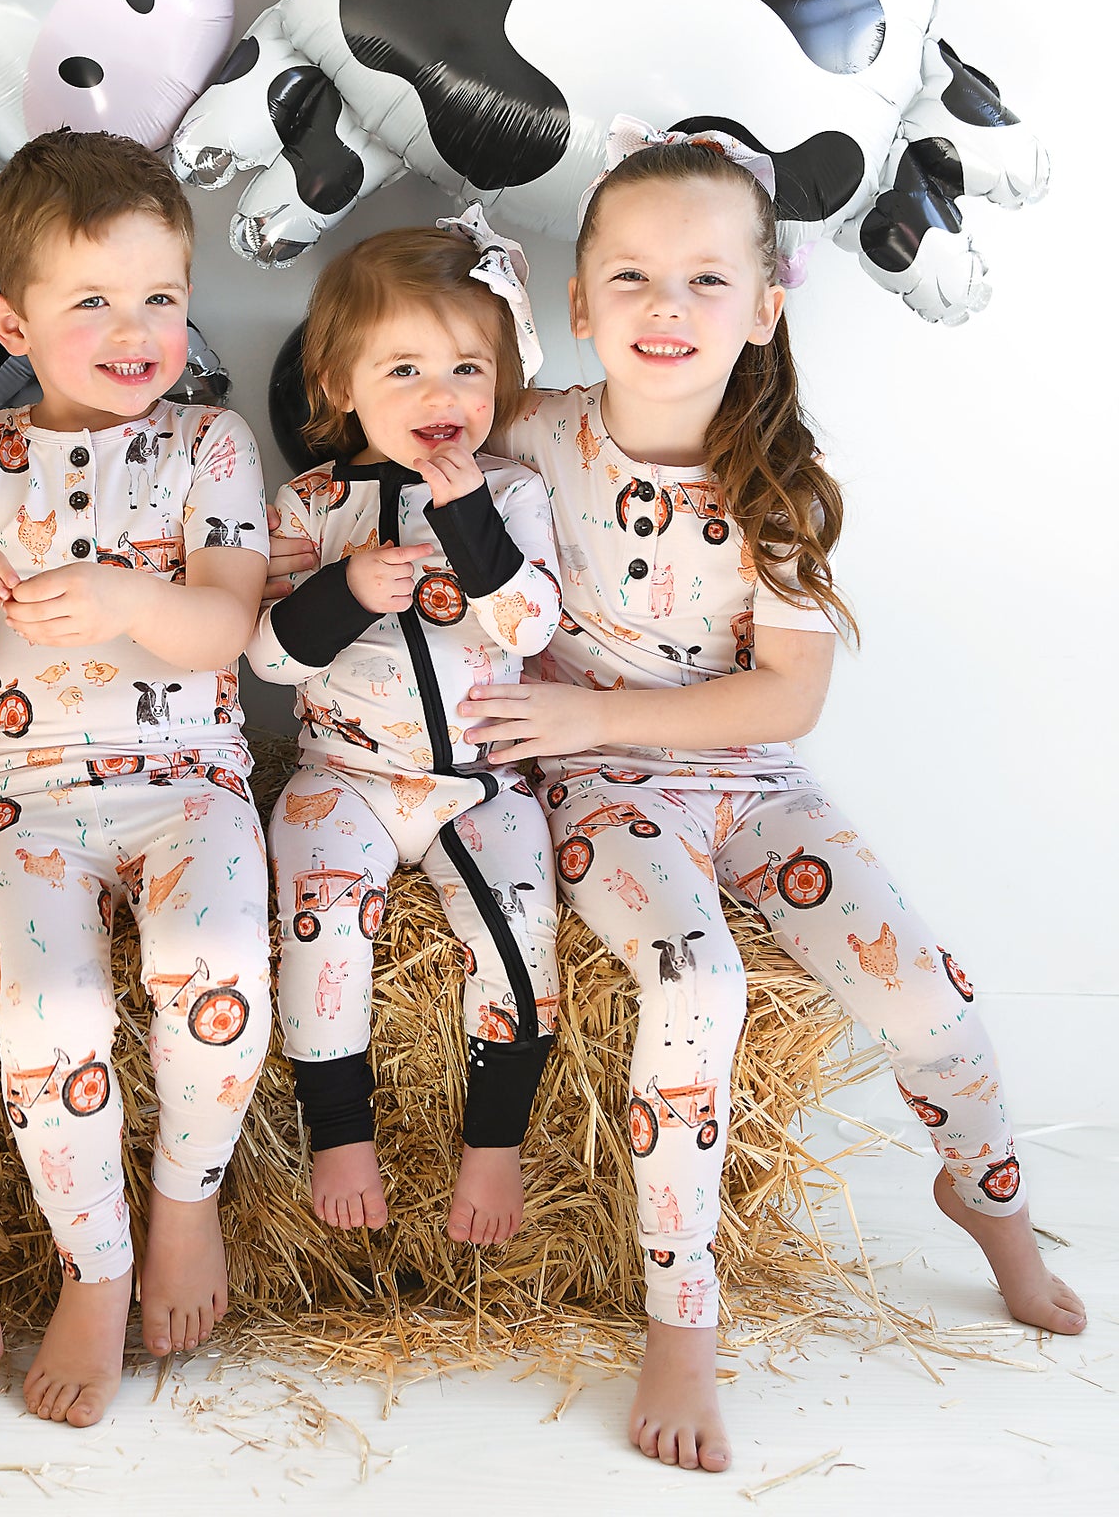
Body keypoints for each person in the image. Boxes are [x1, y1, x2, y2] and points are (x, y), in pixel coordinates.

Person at [455, 125, 1086, 1470]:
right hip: (605, 795)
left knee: (931, 998)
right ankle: (681, 1320)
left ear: (763, 309)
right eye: (630, 277)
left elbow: (784, 701)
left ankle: (991, 1207)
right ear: (579, 306)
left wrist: (594, 709)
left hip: (748, 779)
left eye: (705, 280)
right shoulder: (534, 433)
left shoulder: (779, 486)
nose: (665, 307)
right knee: (699, 989)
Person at [0, 129, 272, 1428]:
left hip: (190, 779)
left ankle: (186, 1204)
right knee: (51, 1023)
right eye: (95, 301)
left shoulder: (209, 445)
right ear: (12, 321)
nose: (135, 330)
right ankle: (94, 1263)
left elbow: (226, 627)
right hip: (30, 795)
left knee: (216, 972)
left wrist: (127, 597)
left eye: (160, 297)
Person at [246, 219, 562, 1246]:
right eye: (406, 369)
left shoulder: (512, 493)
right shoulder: (310, 504)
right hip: (344, 776)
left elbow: (530, 624)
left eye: (468, 368)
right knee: (322, 921)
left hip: (479, 778)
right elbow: (269, 658)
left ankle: (495, 1140)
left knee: (518, 927)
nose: (442, 395)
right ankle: (339, 1132)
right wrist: (343, 591)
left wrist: (469, 523)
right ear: (340, 383)